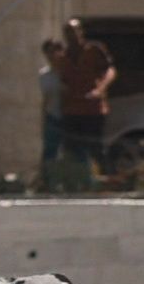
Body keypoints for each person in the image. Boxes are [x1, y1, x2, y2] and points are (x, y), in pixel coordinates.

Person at [46, 24, 120, 185]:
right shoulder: (63, 58)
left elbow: (110, 71)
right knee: (72, 149)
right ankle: (77, 182)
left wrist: (100, 89)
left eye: (74, 31)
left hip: (93, 109)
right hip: (72, 110)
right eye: (67, 33)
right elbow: (61, 79)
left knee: (96, 147)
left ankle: (108, 181)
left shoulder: (93, 51)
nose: (71, 36)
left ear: (80, 32)